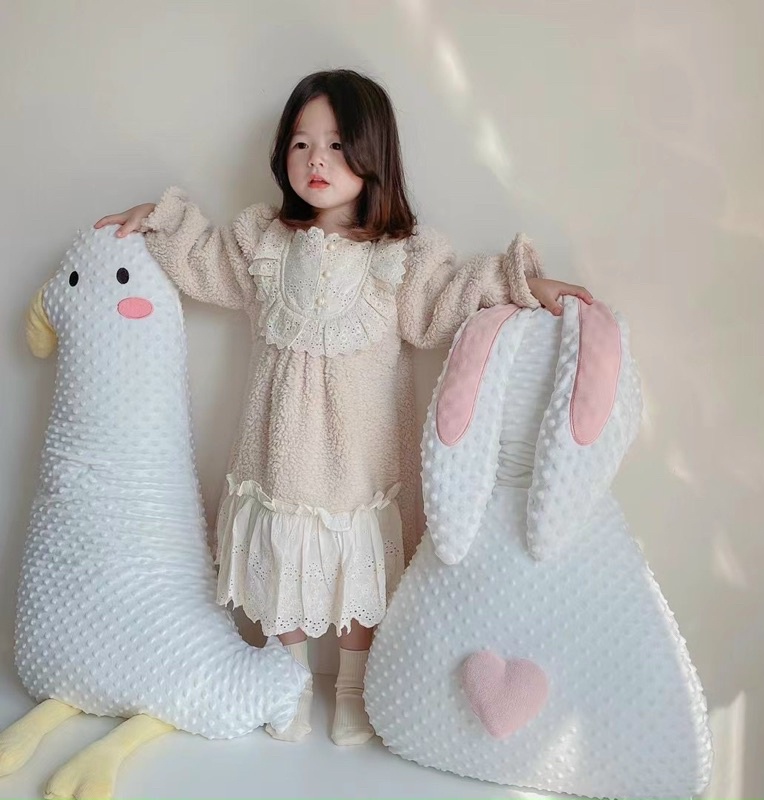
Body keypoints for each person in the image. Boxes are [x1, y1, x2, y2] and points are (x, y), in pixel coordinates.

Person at [95, 69, 592, 746]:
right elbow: (204, 261)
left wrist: (523, 284)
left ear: (371, 153)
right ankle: (290, 679)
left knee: (359, 569)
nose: (317, 160)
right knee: (284, 564)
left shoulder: (400, 258)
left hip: (360, 456)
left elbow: (446, 301)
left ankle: (355, 685)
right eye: (301, 144)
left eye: (335, 144)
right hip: (278, 450)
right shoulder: (264, 243)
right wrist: (158, 219)